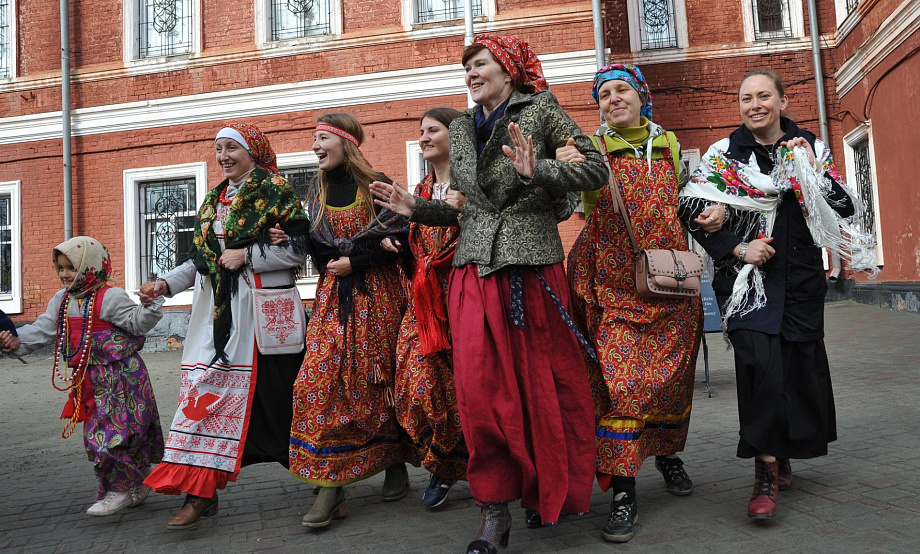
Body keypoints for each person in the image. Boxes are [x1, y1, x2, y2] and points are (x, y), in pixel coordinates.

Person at [370, 34, 608, 554]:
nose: (472, 74)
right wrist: (416, 207)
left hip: (532, 271)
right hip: (473, 272)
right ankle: (492, 513)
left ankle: (544, 491)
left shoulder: (541, 108)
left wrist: (539, 169)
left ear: (509, 68)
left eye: (481, 64)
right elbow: (466, 206)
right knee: (479, 393)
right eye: (468, 67)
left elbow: (595, 168)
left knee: (542, 387)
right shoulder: (459, 126)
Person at [677, 70, 876, 521]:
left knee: (793, 371)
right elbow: (689, 203)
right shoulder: (724, 154)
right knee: (759, 367)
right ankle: (764, 471)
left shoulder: (810, 147)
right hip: (748, 284)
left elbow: (844, 206)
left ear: (782, 101)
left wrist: (811, 172)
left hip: (801, 280)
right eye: (746, 98)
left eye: (764, 95)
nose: (755, 105)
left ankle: (780, 452)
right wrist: (734, 244)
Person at [559, 63, 719, 543]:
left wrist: (708, 215)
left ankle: (668, 454)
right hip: (613, 286)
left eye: (620, 90)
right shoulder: (588, 148)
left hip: (670, 282)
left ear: (641, 96)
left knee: (670, 380)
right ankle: (624, 492)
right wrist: (562, 169)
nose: (612, 99)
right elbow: (570, 203)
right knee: (622, 384)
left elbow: (684, 201)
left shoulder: (667, 144)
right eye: (603, 94)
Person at [142, 122, 309, 530]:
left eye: (231, 147)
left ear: (253, 151)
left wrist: (248, 255)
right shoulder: (214, 199)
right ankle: (200, 493)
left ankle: (328, 483)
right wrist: (165, 283)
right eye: (218, 148)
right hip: (216, 320)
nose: (223, 156)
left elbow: (302, 251)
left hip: (261, 321)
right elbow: (203, 260)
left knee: (284, 407)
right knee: (203, 399)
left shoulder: (276, 192)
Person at [287, 113, 418, 529]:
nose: (315, 146)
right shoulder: (315, 190)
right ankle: (331, 483)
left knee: (380, 382)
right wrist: (290, 237)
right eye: (314, 139)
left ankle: (394, 461)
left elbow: (401, 238)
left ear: (346, 143)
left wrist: (356, 259)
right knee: (318, 383)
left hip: (378, 298)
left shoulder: (375, 184)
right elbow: (317, 248)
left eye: (323, 138)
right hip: (333, 302)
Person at [0, 236, 165, 517]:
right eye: (60, 268)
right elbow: (43, 330)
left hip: (122, 378)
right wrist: (16, 343)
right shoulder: (63, 301)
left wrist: (149, 306)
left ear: (90, 266)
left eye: (71, 267)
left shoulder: (109, 296)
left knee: (123, 434)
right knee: (101, 436)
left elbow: (137, 324)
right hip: (90, 381)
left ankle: (123, 489)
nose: (64, 274)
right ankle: (129, 484)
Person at [385, 107, 468, 509]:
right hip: (424, 304)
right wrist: (396, 245)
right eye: (420, 131)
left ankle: (453, 467)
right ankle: (443, 457)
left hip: (466, 297)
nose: (423, 137)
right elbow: (414, 243)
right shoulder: (418, 191)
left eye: (433, 129)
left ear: (457, 136)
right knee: (415, 385)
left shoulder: (472, 185)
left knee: (465, 387)